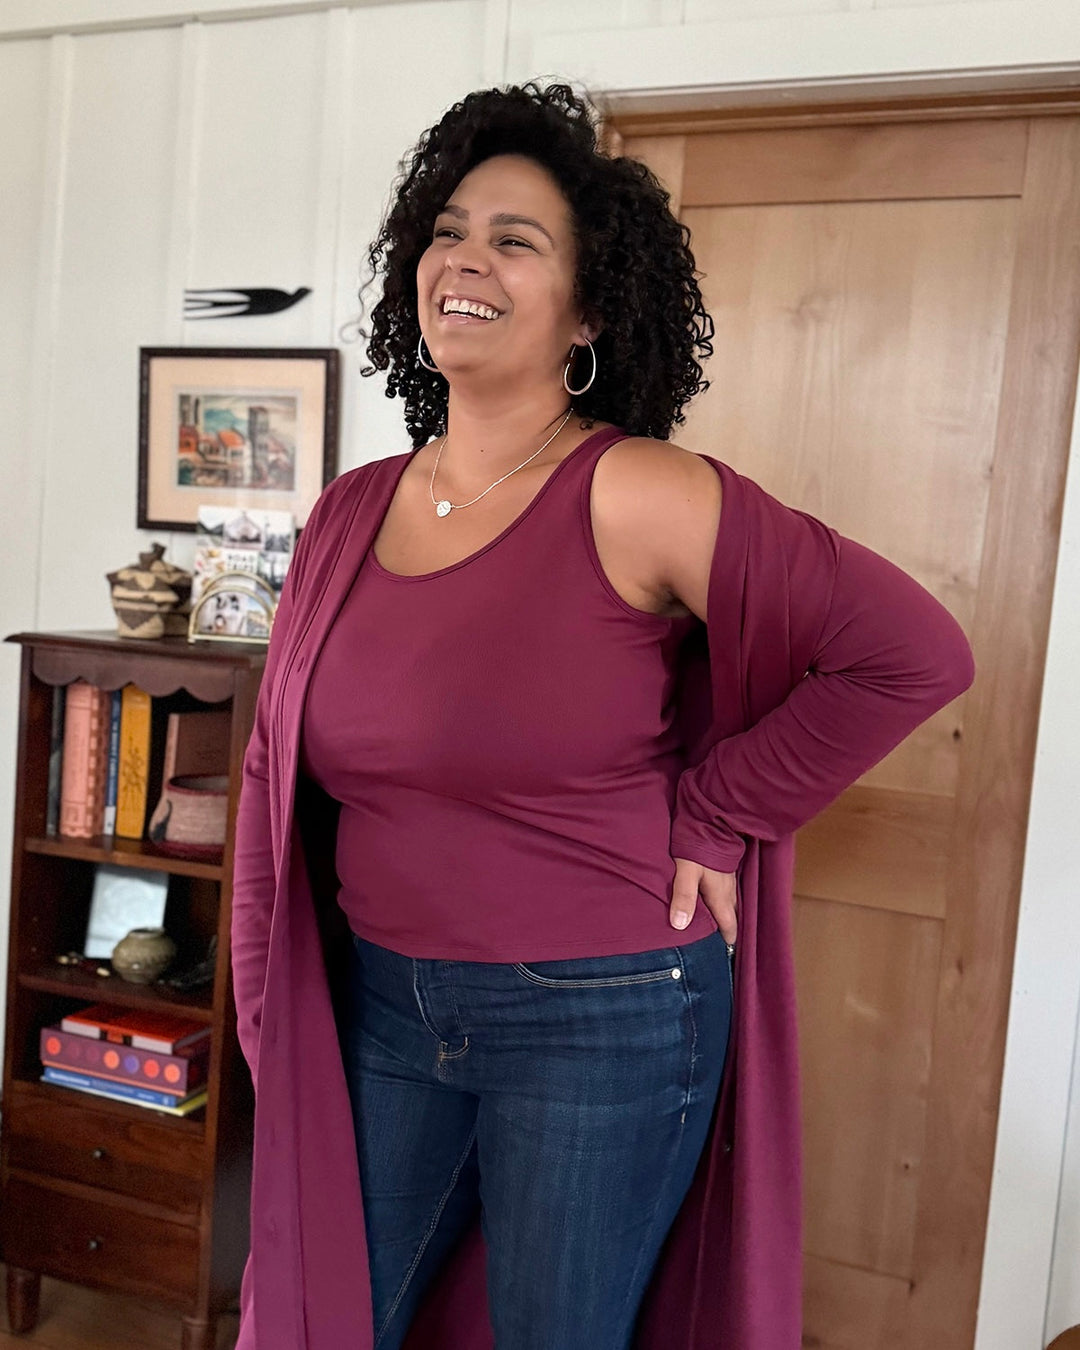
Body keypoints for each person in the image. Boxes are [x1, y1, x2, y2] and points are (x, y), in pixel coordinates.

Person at [230, 83, 974, 1350]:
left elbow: (913, 656)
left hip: (603, 1013)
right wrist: (273, 987)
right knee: (328, 1320)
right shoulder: (348, 513)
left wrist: (724, 810)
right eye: (448, 232)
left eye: (515, 240)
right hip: (387, 1004)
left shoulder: (637, 492)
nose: (466, 259)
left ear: (587, 312)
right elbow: (275, 771)